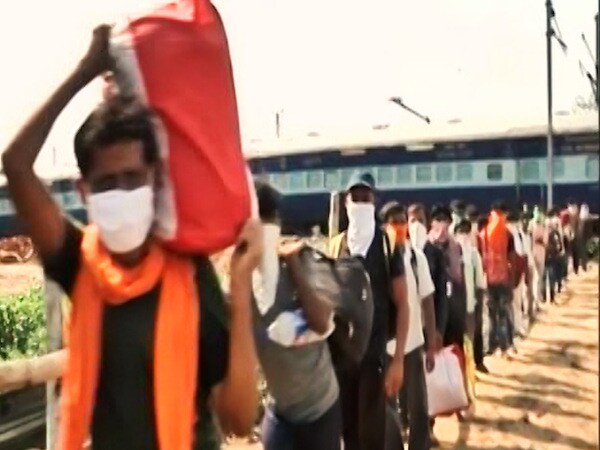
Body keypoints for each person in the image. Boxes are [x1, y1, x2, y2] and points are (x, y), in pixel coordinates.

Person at [2, 26, 261, 450]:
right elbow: (15, 163)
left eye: (133, 178)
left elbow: (239, 416)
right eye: (106, 183)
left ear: (155, 180)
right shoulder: (79, 262)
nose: (121, 191)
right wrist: (84, 70)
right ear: (84, 191)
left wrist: (241, 291)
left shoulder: (189, 272)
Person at [252, 181, 341, 450]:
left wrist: (293, 265)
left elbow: (322, 322)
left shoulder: (303, 261)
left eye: (267, 218)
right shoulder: (243, 276)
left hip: (320, 407)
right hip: (281, 410)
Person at [328, 172, 409, 450]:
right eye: (355, 197)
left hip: (374, 357)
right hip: (343, 358)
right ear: (346, 202)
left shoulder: (387, 244)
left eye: (365, 197)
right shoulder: (337, 245)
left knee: (372, 434)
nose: (360, 203)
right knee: (348, 432)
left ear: (374, 201)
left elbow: (403, 303)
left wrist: (398, 361)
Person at [381, 202, 437, 450]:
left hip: (413, 345)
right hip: (385, 349)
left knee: (419, 408)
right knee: (388, 412)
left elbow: (428, 300)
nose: (400, 227)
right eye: (394, 222)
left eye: (402, 221)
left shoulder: (416, 258)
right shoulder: (378, 261)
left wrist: (432, 341)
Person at [480, 201, 515, 357]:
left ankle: (491, 344)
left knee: (491, 313)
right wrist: (512, 278)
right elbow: (512, 257)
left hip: (488, 279)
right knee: (504, 312)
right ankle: (506, 344)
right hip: (503, 278)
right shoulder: (507, 233)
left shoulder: (483, 233)